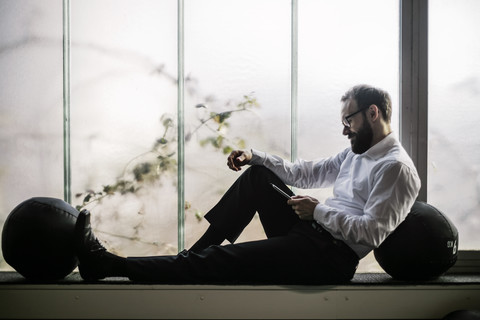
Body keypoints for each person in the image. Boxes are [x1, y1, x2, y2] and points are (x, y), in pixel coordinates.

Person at [75, 84, 421, 284]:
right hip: (311, 232)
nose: (344, 129)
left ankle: (107, 265)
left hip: (328, 259)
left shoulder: (396, 170)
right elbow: (304, 174)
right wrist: (254, 156)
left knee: (221, 260)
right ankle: (191, 258)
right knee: (257, 176)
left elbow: (372, 233)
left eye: (349, 120)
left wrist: (319, 211)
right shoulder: (356, 152)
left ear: (373, 113)